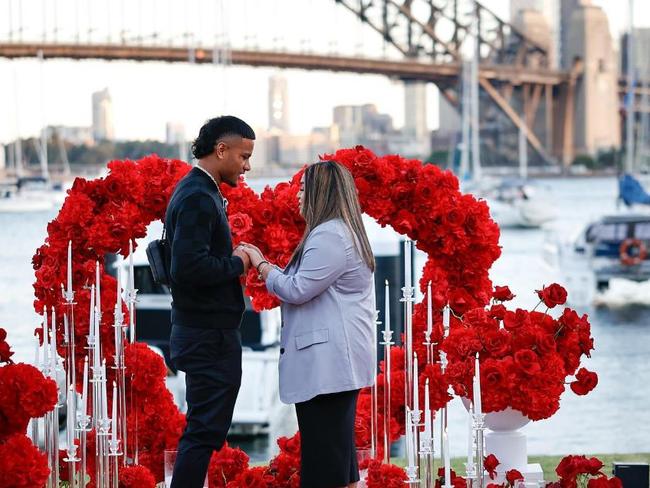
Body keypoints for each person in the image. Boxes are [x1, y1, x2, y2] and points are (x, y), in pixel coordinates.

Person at [241, 160, 376, 488]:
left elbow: (297, 289)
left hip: (327, 366)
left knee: (323, 462)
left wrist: (261, 265)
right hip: (338, 364)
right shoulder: (344, 230)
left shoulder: (329, 235)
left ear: (320, 192)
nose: (298, 195)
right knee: (339, 461)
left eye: (303, 188)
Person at [165, 116, 255, 488]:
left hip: (204, 332)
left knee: (204, 429)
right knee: (203, 431)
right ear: (221, 150)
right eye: (243, 156)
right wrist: (239, 261)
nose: (247, 166)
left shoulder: (197, 190)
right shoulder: (199, 196)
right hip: (207, 335)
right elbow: (187, 267)